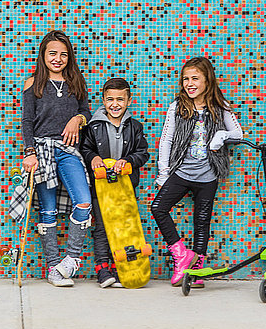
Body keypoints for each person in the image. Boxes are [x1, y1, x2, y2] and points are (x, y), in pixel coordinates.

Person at [151, 57, 243, 288]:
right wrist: (163, 173)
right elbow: (166, 140)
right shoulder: (177, 106)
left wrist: (222, 136)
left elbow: (238, 134)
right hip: (181, 172)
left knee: (201, 221)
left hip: (208, 175)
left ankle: (197, 269)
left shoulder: (220, 106)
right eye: (185, 79)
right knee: (158, 208)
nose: (189, 83)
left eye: (195, 79)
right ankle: (181, 254)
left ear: (207, 81)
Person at [21, 30, 92, 287]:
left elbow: (85, 112)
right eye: (52, 53)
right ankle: (53, 268)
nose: (58, 58)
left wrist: (77, 119)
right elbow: (27, 121)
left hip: (68, 150)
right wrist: (30, 153)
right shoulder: (33, 84)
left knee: (83, 202)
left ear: (69, 57)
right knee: (48, 209)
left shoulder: (77, 82)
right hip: (41, 151)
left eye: (63, 54)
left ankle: (71, 260)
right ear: (43, 55)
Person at [81, 78, 150, 288]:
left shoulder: (135, 127)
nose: (115, 103)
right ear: (103, 100)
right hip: (101, 190)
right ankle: (103, 268)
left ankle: (123, 268)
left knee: (126, 227)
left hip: (125, 189)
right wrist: (92, 158)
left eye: (120, 99)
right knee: (102, 227)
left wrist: (128, 160)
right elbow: (85, 149)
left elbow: (142, 153)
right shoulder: (93, 126)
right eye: (110, 99)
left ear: (128, 100)